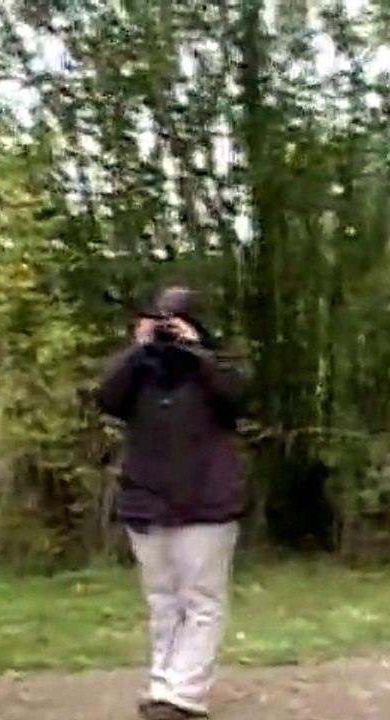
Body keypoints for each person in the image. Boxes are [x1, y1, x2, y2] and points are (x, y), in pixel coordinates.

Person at [95, 286, 247, 720]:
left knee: (201, 600)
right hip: (147, 501)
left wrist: (196, 351)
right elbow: (106, 398)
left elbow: (237, 397)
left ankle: (185, 692)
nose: (167, 329)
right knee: (162, 601)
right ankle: (164, 684)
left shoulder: (215, 367)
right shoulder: (138, 372)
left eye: (175, 320)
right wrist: (137, 348)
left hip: (207, 502)